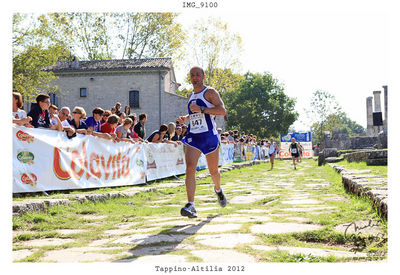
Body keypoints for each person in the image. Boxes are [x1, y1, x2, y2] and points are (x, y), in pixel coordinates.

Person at [177, 66, 227, 219]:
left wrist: (202, 109)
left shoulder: (210, 92)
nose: (195, 77)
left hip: (209, 136)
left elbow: (222, 111)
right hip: (194, 137)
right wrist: (186, 118)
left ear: (203, 76)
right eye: (192, 75)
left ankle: (218, 190)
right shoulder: (191, 95)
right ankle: (191, 205)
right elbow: (195, 111)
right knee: (190, 168)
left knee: (213, 172)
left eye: (198, 75)